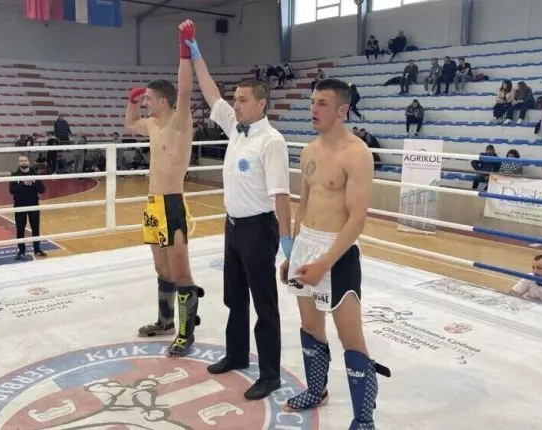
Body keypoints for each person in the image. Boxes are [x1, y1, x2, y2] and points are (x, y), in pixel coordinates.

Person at [184, 24, 292, 400]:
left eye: (243, 100)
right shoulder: (235, 128)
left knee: (265, 303)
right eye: (236, 99)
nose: (237, 104)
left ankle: (270, 374)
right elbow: (211, 92)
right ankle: (236, 354)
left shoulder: (271, 142)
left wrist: (287, 244)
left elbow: (282, 196)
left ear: (261, 104)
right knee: (235, 297)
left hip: (259, 229)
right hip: (232, 226)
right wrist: (196, 54)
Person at [280, 78, 379, 428]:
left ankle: (364, 419)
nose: (313, 109)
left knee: (351, 337)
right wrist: (293, 252)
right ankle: (316, 390)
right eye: (312, 102)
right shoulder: (309, 151)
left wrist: (324, 262)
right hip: (307, 244)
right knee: (310, 326)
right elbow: (303, 205)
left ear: (342, 110)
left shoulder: (357, 154)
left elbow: (357, 219)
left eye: (322, 103)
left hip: (338, 251)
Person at [126, 19, 202, 358]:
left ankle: (186, 332)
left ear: (163, 101)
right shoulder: (153, 125)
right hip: (152, 204)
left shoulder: (179, 123)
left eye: (147, 98)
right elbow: (130, 123)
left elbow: (184, 91)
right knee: (161, 268)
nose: (144, 102)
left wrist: (184, 50)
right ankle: (166, 320)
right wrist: (131, 101)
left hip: (172, 203)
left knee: (181, 270)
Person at [9, 154, 47, 260]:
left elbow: (42, 190)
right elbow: (11, 190)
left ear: (28, 162)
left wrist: (33, 183)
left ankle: (37, 249)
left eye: (25, 160)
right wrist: (23, 183)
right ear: (18, 163)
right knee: (20, 228)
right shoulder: (14, 175)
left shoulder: (34, 174)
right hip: (19, 205)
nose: (23, 162)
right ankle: (21, 251)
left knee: (35, 228)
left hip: (33, 204)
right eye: (21, 161)